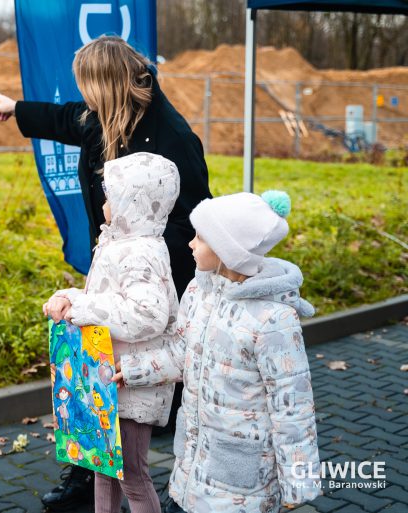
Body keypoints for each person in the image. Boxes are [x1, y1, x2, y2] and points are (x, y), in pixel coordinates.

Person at [0, 35, 211, 510]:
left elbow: (197, 213)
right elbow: (67, 117)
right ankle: (87, 473)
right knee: (94, 381)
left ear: (109, 84)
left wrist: (144, 258)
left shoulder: (171, 136)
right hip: (111, 261)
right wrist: (18, 108)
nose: (84, 98)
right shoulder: (101, 117)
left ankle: (170, 481)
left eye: (89, 86)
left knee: (133, 396)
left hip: (153, 273)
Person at [114, 191, 322, 513]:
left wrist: (298, 482)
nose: (190, 244)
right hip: (190, 473)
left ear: (229, 251)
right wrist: (132, 370)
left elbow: (293, 409)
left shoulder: (274, 320)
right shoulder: (198, 291)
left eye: (200, 237)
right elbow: (182, 352)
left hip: (241, 487)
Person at [44, 152, 180, 513]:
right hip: (107, 378)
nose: (102, 203)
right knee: (103, 468)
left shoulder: (140, 251)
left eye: (109, 196)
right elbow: (104, 299)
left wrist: (83, 309)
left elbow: (146, 314)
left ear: (131, 203)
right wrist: (69, 298)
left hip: (133, 384)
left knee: (133, 477)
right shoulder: (119, 242)